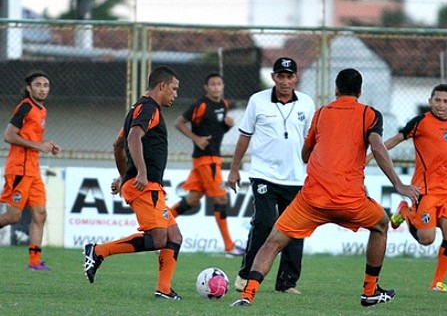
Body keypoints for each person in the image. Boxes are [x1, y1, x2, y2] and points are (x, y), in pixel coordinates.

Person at [231, 68, 420, 307]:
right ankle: (370, 290)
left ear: (336, 90)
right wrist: (398, 184)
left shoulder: (320, 114)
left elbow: (305, 154)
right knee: (382, 224)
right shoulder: (370, 114)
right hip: (349, 200)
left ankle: (247, 295)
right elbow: (378, 146)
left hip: (312, 200)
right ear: (360, 92)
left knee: (272, 242)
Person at [83, 66, 184, 300]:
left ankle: (164, 290)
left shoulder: (137, 109)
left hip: (145, 184)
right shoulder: (149, 108)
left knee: (174, 236)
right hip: (146, 186)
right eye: (174, 89)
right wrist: (139, 172)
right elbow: (133, 137)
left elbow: (118, 145)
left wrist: (125, 175)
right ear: (162, 86)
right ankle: (98, 251)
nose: (175, 94)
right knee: (159, 238)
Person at [378, 83, 447, 292]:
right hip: (425, 189)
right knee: (426, 240)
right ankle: (405, 212)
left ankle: (437, 282)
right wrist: (374, 153)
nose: (441, 105)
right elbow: (396, 139)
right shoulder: (421, 122)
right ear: (430, 101)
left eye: (445, 101)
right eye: (437, 100)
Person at [226, 57, 315, 294]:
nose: (285, 81)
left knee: (295, 230)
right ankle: (246, 275)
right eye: (281, 76)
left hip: (297, 177)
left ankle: (287, 282)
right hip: (264, 174)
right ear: (274, 77)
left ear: (295, 78)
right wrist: (234, 170)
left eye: (290, 76)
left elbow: (312, 142)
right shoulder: (258, 100)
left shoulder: (307, 103)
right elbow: (244, 135)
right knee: (264, 222)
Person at [169, 72, 244, 256]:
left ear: (223, 87)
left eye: (219, 84)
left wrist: (228, 126)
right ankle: (229, 246)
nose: (216, 87)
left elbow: (216, 131)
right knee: (221, 198)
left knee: (193, 200)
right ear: (206, 87)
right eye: (212, 84)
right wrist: (196, 139)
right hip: (206, 160)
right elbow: (179, 123)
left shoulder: (224, 105)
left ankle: (157, 226)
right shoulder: (201, 105)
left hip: (211, 158)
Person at [0, 71, 61, 271]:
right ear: (29, 88)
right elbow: (9, 135)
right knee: (13, 217)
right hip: (19, 170)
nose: (42, 88)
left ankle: (34, 262)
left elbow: (33, 139)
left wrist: (48, 146)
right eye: (38, 85)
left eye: (45, 85)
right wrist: (38, 146)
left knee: (40, 214)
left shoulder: (41, 110)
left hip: (33, 171)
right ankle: (34, 262)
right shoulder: (25, 106)